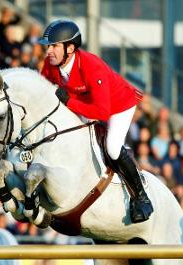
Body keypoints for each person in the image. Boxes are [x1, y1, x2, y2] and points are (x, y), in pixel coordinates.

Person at [38, 19, 152, 223]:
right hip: (85, 104)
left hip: (118, 106)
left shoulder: (92, 67)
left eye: (54, 46)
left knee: (113, 148)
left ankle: (141, 197)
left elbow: (101, 112)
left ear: (70, 48)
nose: (49, 51)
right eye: (48, 46)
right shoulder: (50, 65)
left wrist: (70, 101)